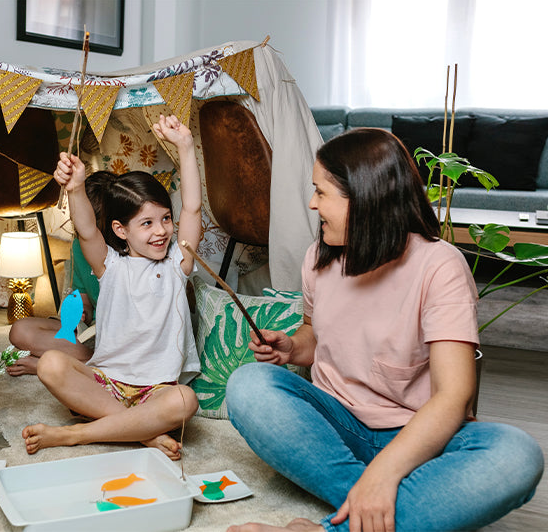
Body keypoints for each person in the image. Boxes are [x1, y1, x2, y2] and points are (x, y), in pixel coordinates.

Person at [225, 128, 544, 532]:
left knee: (516, 455)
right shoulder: (319, 258)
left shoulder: (439, 266)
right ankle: (376, 504)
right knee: (249, 385)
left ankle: (332, 527)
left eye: (321, 192)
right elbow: (316, 336)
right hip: (338, 425)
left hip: (419, 437)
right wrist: (291, 347)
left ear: (364, 197)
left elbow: (453, 396)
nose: (312, 203)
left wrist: (386, 471)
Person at [21, 114, 202, 460]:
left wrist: (185, 146)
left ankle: (76, 434)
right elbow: (87, 229)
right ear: (121, 230)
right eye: (146, 223)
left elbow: (192, 208)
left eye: (166, 219)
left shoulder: (177, 265)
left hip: (157, 392)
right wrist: (75, 187)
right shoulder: (110, 266)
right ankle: (144, 433)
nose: (161, 231)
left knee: (185, 400)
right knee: (50, 365)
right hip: (106, 384)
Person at [6, 172, 109, 376]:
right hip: (90, 334)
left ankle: (63, 363)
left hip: (116, 336)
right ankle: (82, 359)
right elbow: (85, 300)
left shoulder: (125, 250)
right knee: (19, 330)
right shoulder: (78, 246)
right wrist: (82, 313)